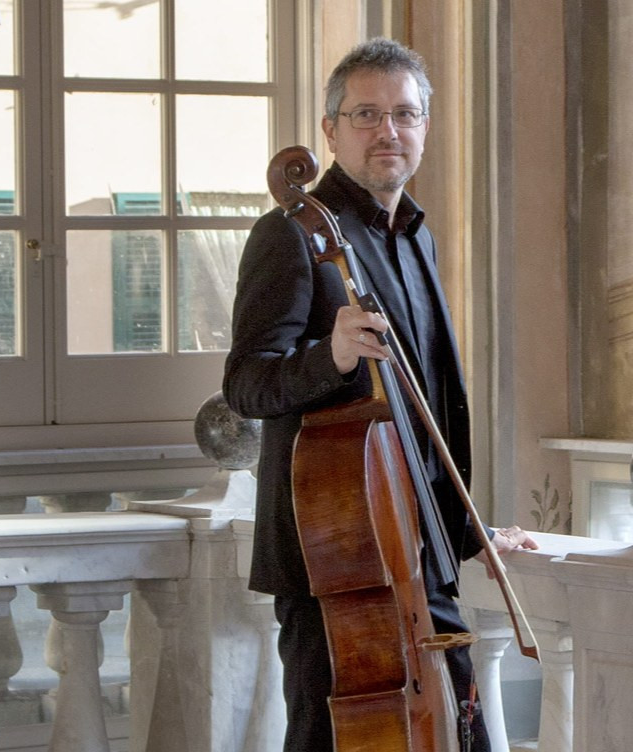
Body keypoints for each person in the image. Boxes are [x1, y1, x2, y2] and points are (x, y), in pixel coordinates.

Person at [224, 38, 537, 752]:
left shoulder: (415, 237)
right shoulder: (291, 237)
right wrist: (329, 355)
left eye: (404, 113)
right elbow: (246, 384)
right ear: (331, 129)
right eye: (366, 113)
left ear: (425, 126)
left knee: (457, 730)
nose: (387, 130)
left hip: (414, 549)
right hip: (334, 567)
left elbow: (425, 414)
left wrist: (465, 527)